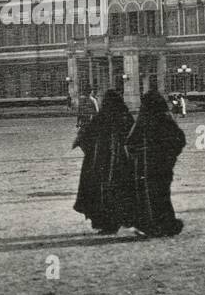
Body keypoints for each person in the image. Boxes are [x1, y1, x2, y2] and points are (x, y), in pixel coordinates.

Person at [124, 90, 186, 237]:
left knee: (151, 196)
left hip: (150, 165)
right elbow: (179, 140)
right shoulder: (166, 119)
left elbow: (130, 142)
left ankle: (153, 225)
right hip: (162, 166)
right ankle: (165, 224)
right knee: (162, 195)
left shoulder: (145, 120)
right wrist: (170, 156)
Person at [72, 89, 134, 234]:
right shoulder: (126, 116)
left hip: (100, 165)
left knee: (102, 192)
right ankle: (121, 219)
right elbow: (134, 137)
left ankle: (106, 223)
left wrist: (89, 151)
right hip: (122, 164)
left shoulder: (102, 117)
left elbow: (86, 138)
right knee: (121, 191)